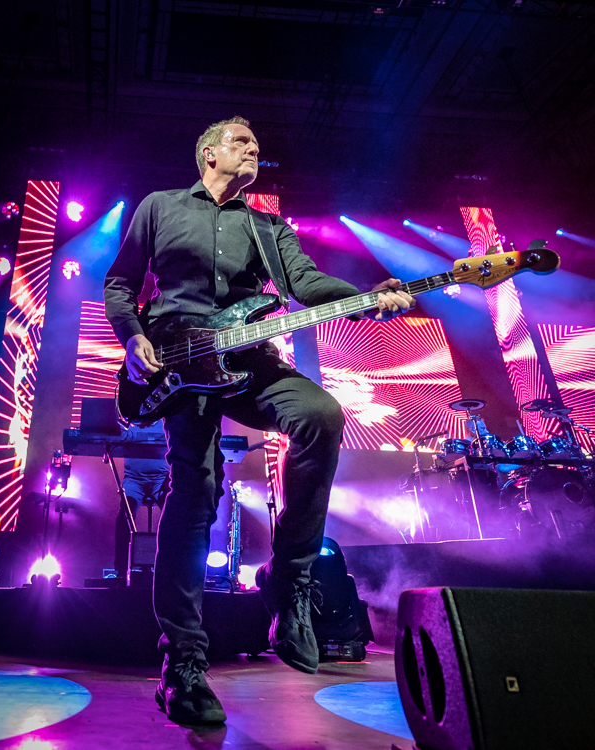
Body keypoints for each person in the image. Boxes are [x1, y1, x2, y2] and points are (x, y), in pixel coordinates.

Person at [104, 116, 415, 726]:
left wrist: (365, 298)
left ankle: (290, 580)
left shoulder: (269, 226)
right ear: (208, 153)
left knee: (319, 414)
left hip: (249, 359)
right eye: (241, 142)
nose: (253, 149)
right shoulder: (160, 206)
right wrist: (133, 335)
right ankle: (183, 662)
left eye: (256, 144)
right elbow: (120, 283)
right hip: (178, 361)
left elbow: (306, 283)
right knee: (196, 493)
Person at [114, 455, 170, 579]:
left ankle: (173, 568)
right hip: (133, 479)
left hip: (161, 478)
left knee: (173, 514)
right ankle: (121, 570)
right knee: (124, 516)